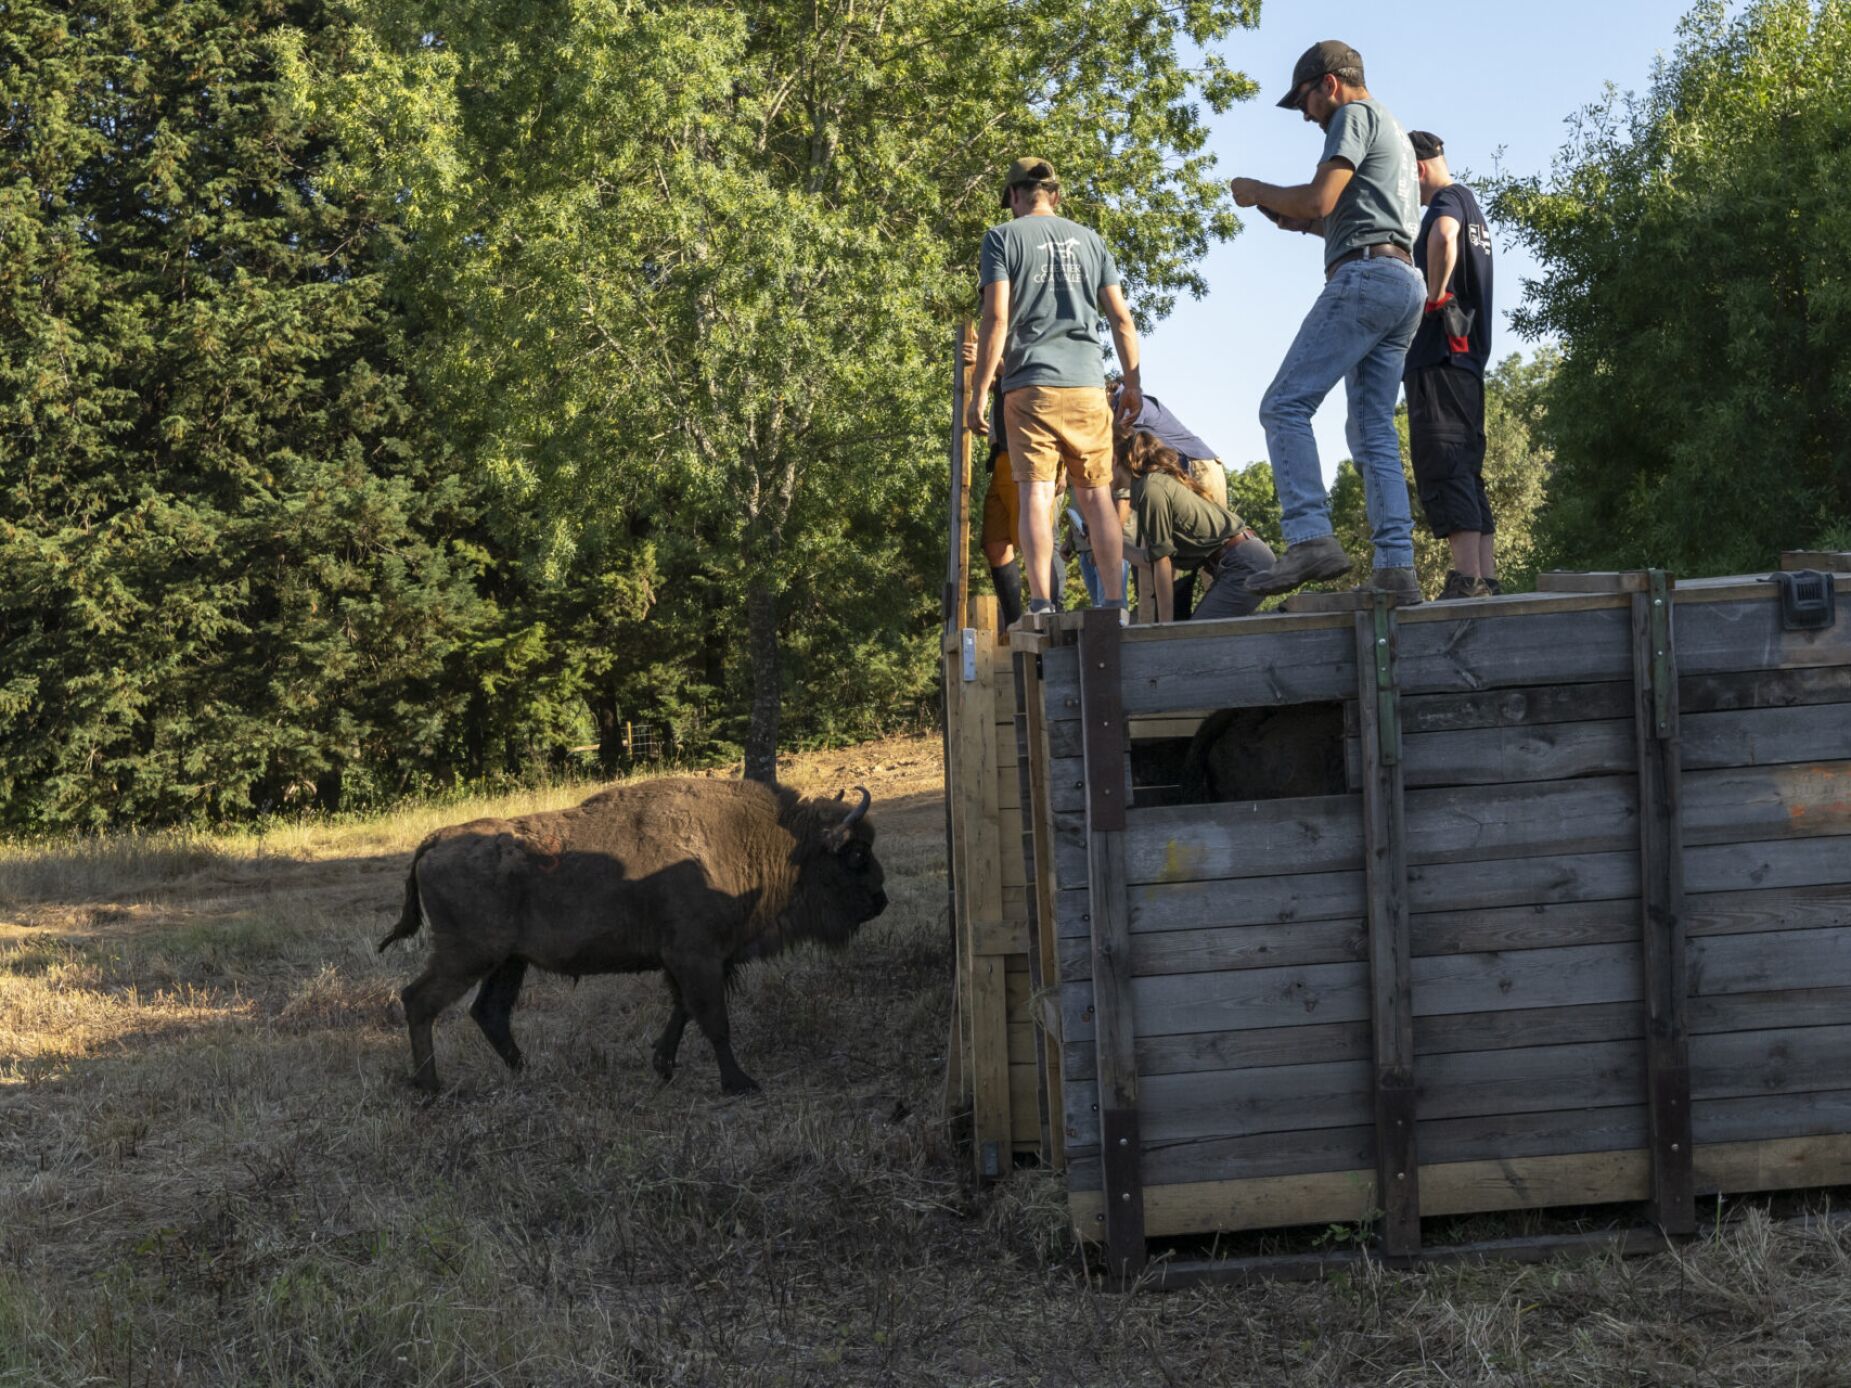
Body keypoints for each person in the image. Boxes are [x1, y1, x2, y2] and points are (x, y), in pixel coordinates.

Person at [1227, 40, 1426, 604]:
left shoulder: (1354, 116)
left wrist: (1257, 191)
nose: (1308, 116)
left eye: (1306, 102)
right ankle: (1395, 569)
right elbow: (1340, 216)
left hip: (1365, 280)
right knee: (1373, 432)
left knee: (1284, 405)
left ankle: (1310, 537)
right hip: (1403, 282)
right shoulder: (1393, 131)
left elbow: (1319, 199)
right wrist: (1297, 222)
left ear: (1330, 84)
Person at [968, 157, 1142, 620]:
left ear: (1013, 197)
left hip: (1030, 387)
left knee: (1037, 494)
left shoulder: (1002, 237)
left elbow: (997, 318)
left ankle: (1042, 603)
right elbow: (1121, 319)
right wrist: (1132, 383)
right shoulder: (1092, 241)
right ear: (1056, 196)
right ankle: (1115, 603)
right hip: (1087, 382)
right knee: (1096, 495)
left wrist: (980, 389)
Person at [1404, 130, 1499, 600]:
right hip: (1466, 360)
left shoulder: (1446, 202)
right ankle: (1484, 577)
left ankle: (1465, 579)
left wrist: (1436, 294)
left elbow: (1443, 236)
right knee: (1465, 464)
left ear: (1418, 168)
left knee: (1444, 462)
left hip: (1440, 355)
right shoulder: (1471, 203)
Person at [1120, 431, 1277, 623]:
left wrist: (1165, 627)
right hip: (1243, 561)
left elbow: (1162, 562)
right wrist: (1116, 547)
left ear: (1113, 461)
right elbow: (1153, 559)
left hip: (1243, 564)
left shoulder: (1150, 488)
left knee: (1195, 639)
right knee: (1200, 637)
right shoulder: (1154, 484)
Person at [1110, 379, 1229, 615]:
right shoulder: (1147, 484)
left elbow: (1122, 446)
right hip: (1165, 483)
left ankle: (1219, 621)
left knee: (1211, 555)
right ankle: (1153, 629)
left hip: (1199, 470)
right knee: (1151, 564)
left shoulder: (1131, 403)